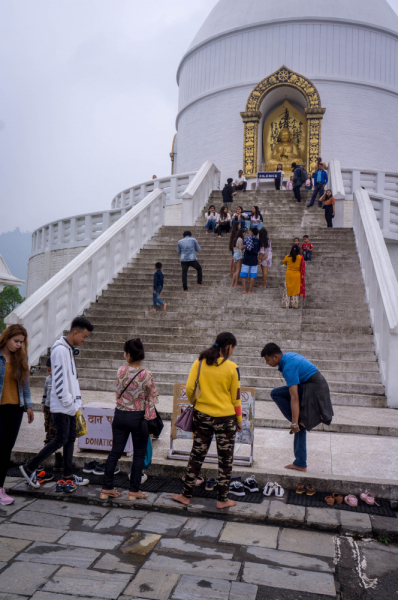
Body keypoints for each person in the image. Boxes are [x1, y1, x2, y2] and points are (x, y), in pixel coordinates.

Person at [20, 317, 93, 491]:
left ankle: (68, 475)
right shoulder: (60, 350)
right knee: (60, 439)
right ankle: (30, 467)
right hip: (62, 406)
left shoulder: (68, 349)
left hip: (69, 406)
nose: (85, 340)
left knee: (69, 439)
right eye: (84, 336)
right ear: (75, 332)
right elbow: (59, 381)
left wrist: (75, 404)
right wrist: (69, 402)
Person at [172, 332, 243, 509]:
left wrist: (196, 402)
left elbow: (189, 387)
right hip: (226, 419)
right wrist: (239, 420)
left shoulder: (200, 362)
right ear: (228, 347)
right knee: (225, 459)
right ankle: (222, 500)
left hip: (202, 416)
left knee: (196, 456)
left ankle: (185, 495)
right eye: (233, 348)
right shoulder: (232, 367)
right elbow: (236, 398)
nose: (233, 351)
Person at [100, 339, 158, 500]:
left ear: (129, 354)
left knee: (115, 452)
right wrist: (150, 420)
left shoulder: (120, 371)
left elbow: (118, 393)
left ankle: (106, 488)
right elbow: (151, 399)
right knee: (139, 454)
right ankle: (134, 491)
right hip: (138, 417)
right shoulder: (147, 375)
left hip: (120, 415)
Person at [261, 342, 332, 472]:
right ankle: (300, 462)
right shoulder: (288, 357)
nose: (267, 363)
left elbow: (294, 397)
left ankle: (298, 423)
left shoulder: (289, 366)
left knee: (276, 394)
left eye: (267, 360)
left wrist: (294, 423)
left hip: (314, 390)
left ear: (276, 357)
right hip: (311, 387)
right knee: (299, 423)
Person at [0, 325, 33, 505]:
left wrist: (29, 406)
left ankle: (0, 488)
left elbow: (25, 384)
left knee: (6, 450)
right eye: (16, 341)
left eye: (21, 342)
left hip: (15, 409)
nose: (18, 345)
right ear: (6, 338)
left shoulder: (21, 358)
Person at [282, 244, 305, 309]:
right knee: (295, 290)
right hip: (297, 276)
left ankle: (286, 304)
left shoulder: (287, 257)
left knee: (287, 289)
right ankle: (295, 304)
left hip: (289, 275)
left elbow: (284, 262)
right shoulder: (300, 257)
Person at [241, 227, 260, 294]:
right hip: (254, 259)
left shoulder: (247, 239)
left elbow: (243, 247)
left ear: (252, 232)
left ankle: (244, 290)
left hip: (246, 258)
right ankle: (250, 290)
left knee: (244, 274)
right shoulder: (258, 241)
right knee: (253, 275)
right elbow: (258, 250)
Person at [42, 357, 55, 445]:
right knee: (47, 424)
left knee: (53, 426)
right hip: (47, 406)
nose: (50, 373)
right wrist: (43, 404)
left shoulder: (59, 379)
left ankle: (51, 442)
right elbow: (45, 392)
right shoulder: (48, 379)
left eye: (51, 370)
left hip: (55, 408)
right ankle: (48, 441)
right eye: (48, 370)